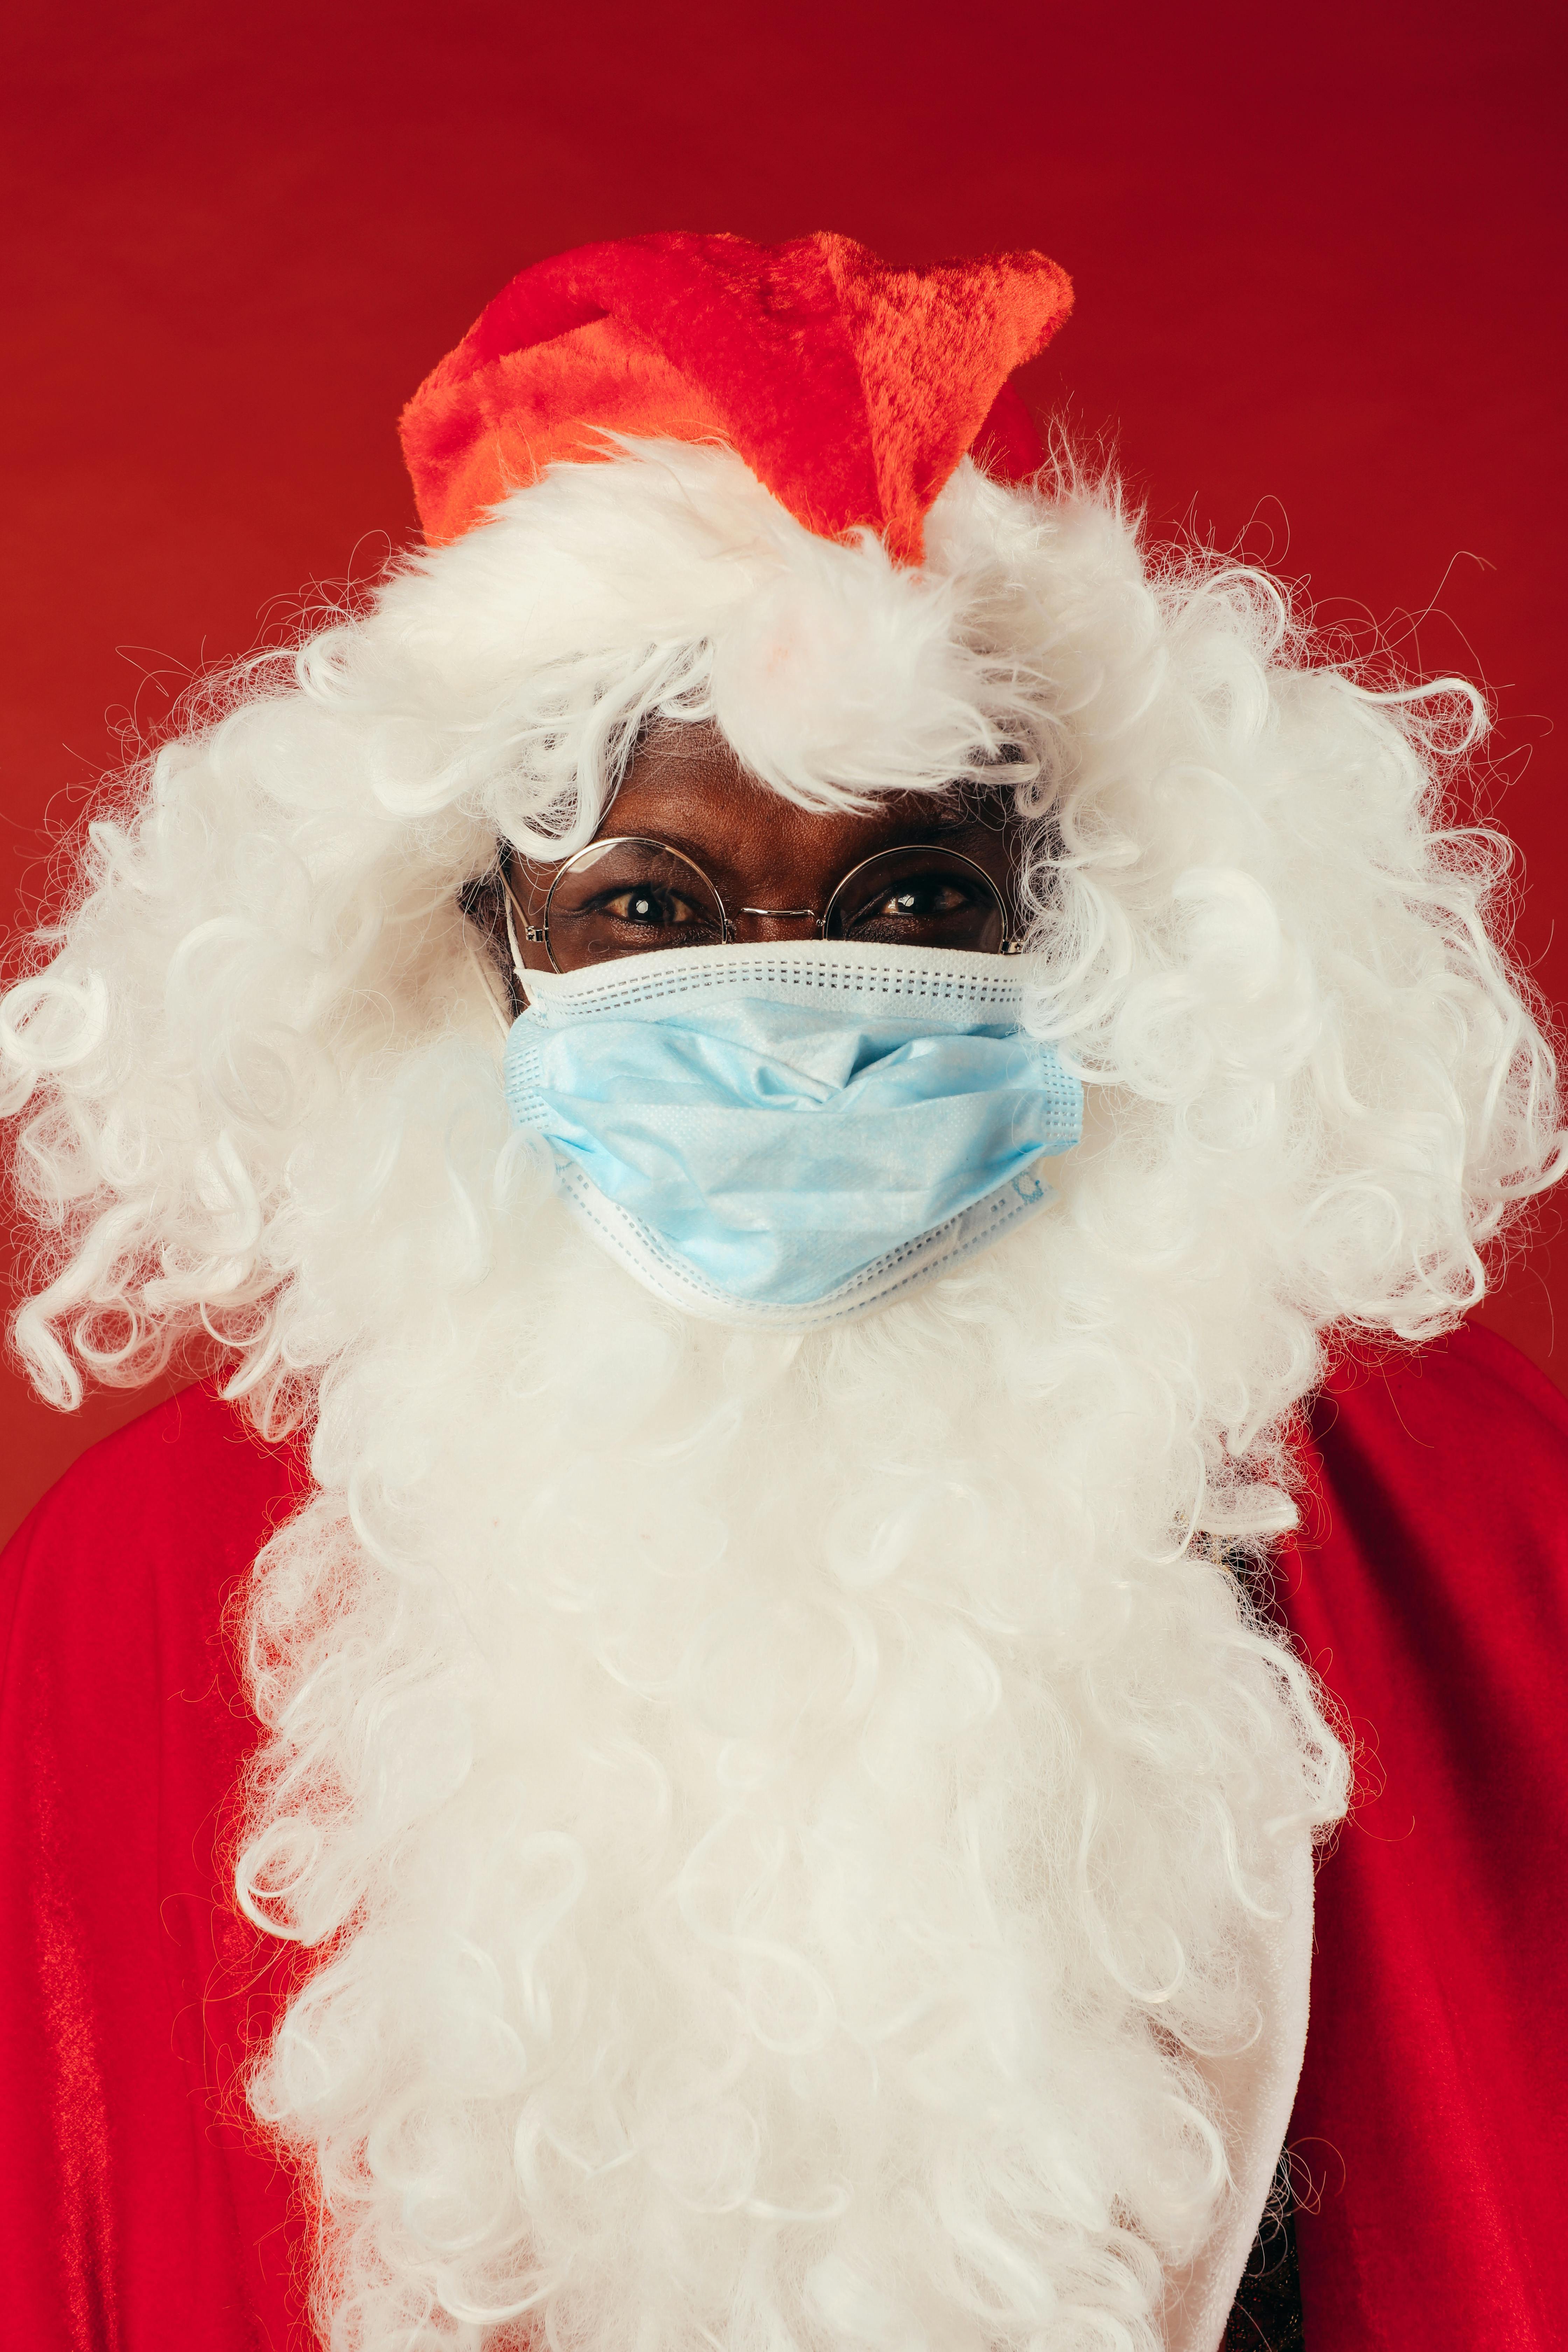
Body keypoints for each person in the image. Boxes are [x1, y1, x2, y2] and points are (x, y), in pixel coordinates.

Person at [1, 230, 1564, 2352]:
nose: (793, 1015)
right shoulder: (121, 1596)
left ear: (1080, 919)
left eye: (912, 892)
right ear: (473, 943)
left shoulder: (1483, 1536)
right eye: (650, 901)